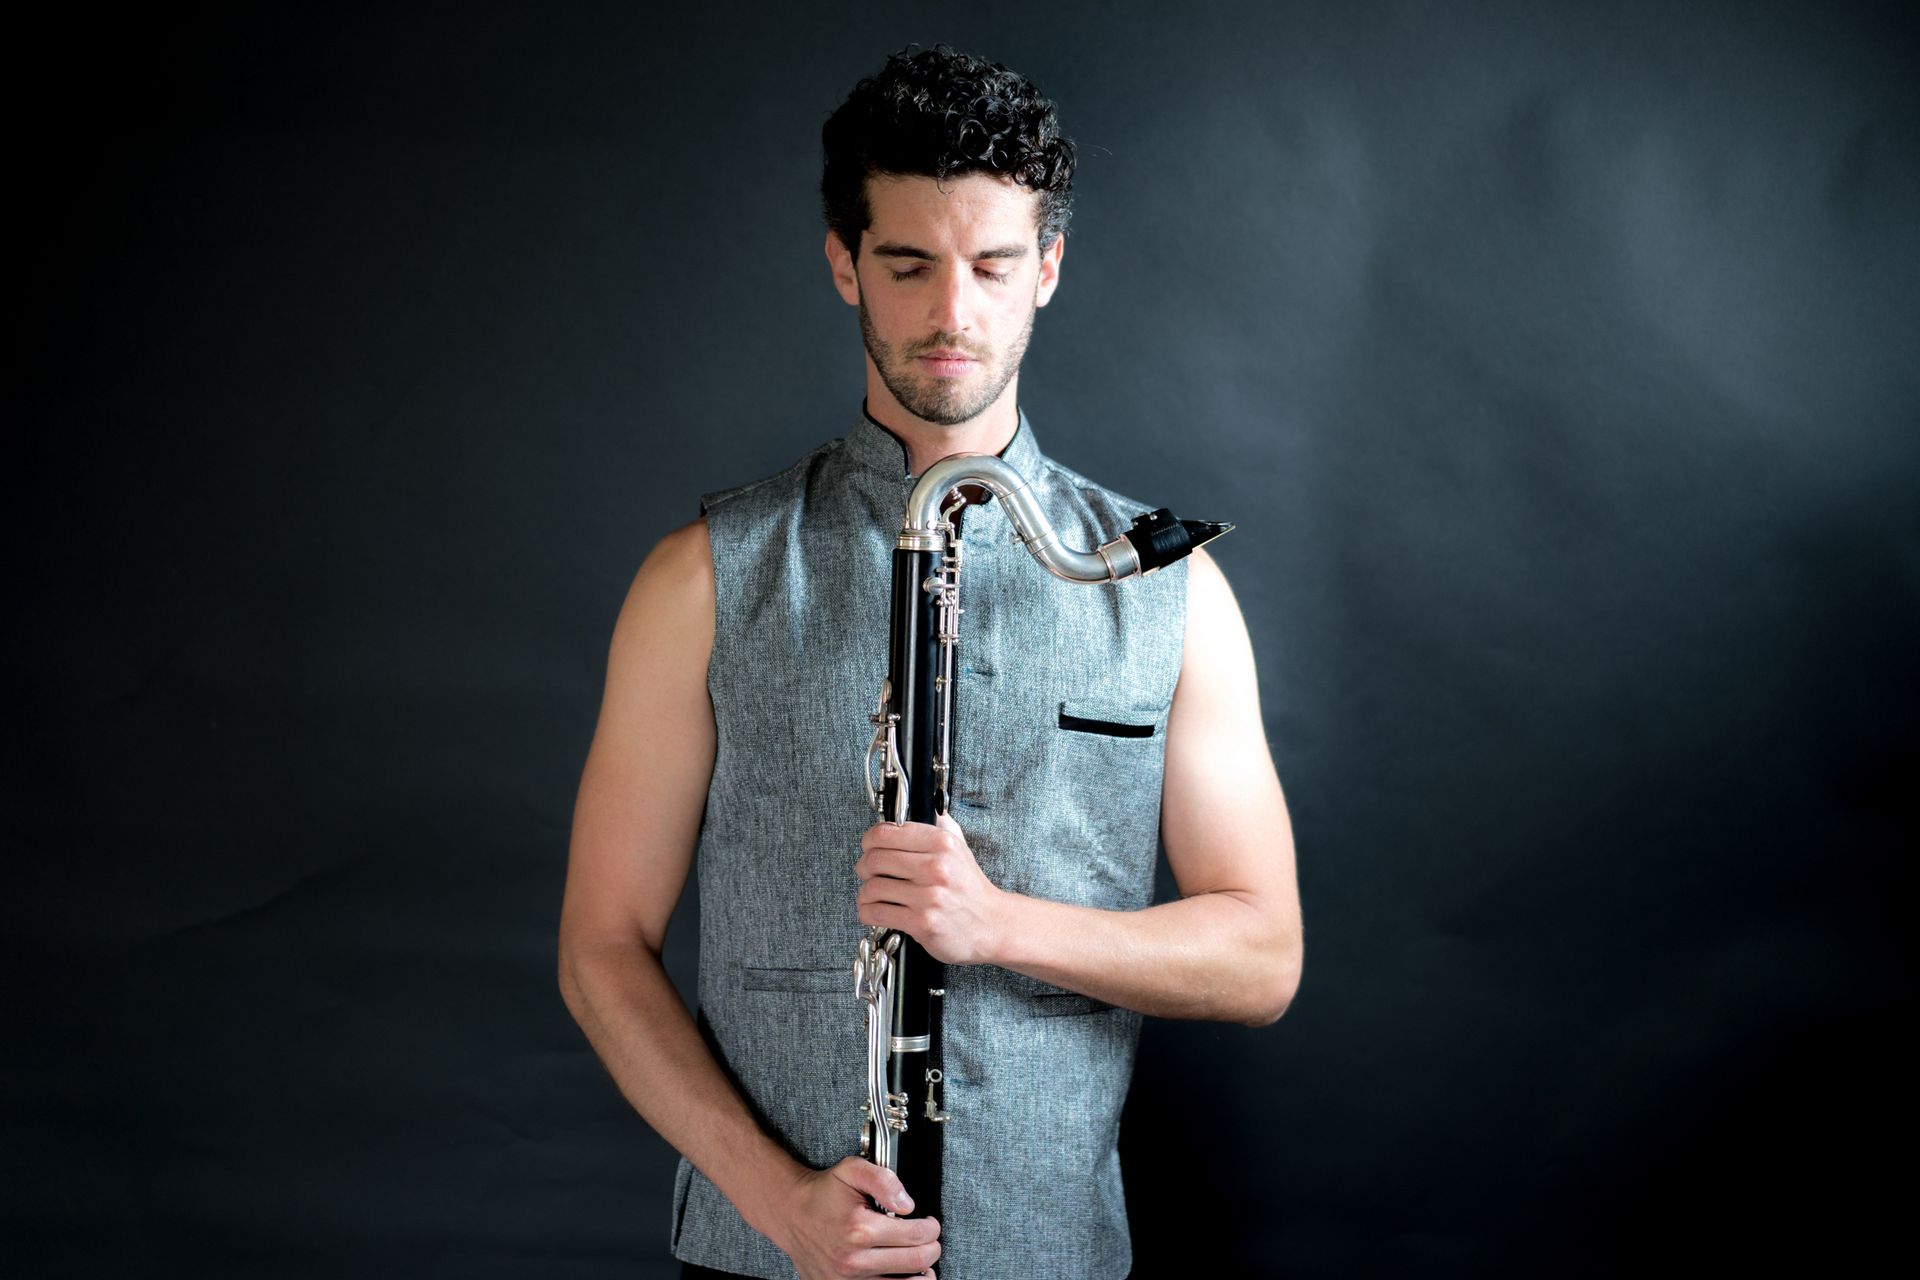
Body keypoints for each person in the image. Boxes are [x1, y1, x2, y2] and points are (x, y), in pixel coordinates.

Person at [559, 46, 1301, 1280]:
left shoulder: (1169, 589)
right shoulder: (700, 580)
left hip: (1049, 1254)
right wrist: (785, 1205)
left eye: (994, 265)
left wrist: (998, 923)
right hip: (767, 1256)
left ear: (1047, 268)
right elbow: (601, 946)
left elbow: (1261, 956)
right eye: (908, 264)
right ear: (844, 263)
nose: (954, 311)